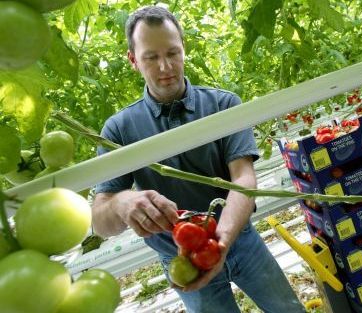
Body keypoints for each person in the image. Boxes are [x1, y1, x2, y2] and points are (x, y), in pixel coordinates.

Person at [92, 5, 306, 313]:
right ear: (133, 61)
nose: (165, 66)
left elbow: (244, 178)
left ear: (184, 49)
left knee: (287, 310)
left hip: (240, 240)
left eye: (172, 53)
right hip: (178, 258)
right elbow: (100, 222)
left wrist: (222, 242)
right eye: (151, 57)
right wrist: (123, 203)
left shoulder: (223, 105)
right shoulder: (119, 129)